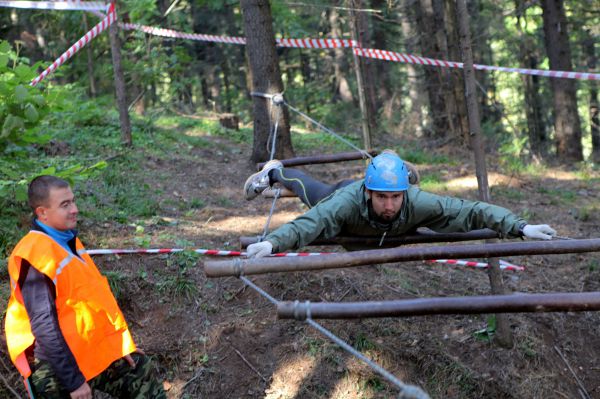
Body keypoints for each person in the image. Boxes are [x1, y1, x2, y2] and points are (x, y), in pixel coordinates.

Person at [4, 176, 166, 399]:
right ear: (42, 213)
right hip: (52, 364)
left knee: (139, 369)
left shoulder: (69, 242)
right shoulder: (35, 255)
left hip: (84, 350)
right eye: (65, 204)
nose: (74, 209)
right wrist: (75, 383)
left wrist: (119, 348)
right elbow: (44, 328)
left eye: (73, 201)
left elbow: (92, 305)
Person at [243, 151, 556, 257]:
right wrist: (272, 243)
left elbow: (472, 211)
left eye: (395, 196)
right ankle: (275, 173)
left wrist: (520, 226)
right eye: (382, 197)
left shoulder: (417, 203)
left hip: (374, 231)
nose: (389, 205)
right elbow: (309, 225)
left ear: (406, 192)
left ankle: (396, 165)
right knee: (312, 192)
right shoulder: (347, 203)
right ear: (369, 192)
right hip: (340, 197)